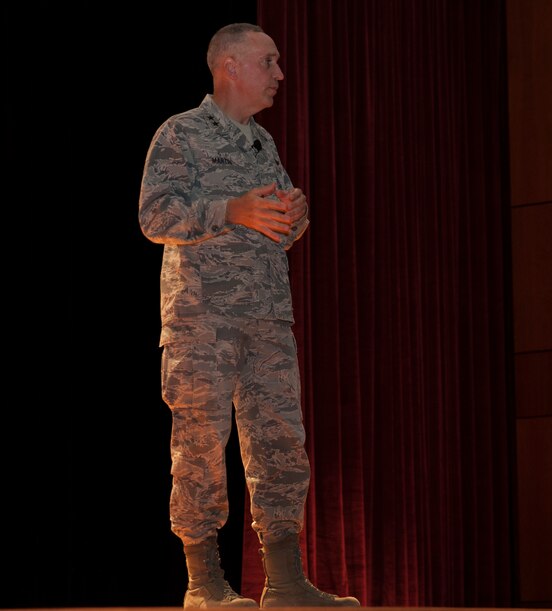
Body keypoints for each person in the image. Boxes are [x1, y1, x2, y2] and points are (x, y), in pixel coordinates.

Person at [138, 23, 360, 608]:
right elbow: (155, 217)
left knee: (281, 444)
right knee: (201, 447)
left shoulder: (263, 143)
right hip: (201, 323)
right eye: (270, 62)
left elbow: (279, 229)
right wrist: (229, 209)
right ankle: (204, 585)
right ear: (230, 66)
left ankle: (285, 585)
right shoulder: (180, 134)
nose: (280, 74)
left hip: (266, 321)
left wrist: (297, 212)